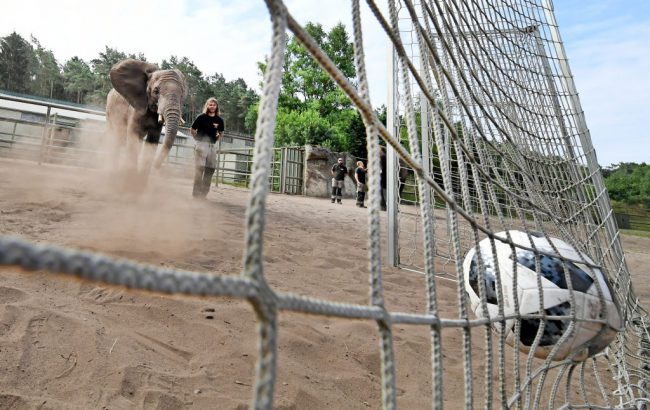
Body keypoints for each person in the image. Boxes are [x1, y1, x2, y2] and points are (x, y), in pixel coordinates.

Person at [191, 97, 225, 199]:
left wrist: (217, 139)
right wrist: (197, 139)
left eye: (214, 105)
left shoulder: (219, 120)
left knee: (210, 170)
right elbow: (192, 129)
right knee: (199, 169)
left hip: (212, 146)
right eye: (210, 104)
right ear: (207, 106)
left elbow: (221, 132)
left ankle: (203, 194)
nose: (212, 106)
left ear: (216, 106)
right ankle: (196, 194)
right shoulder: (201, 117)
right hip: (201, 145)